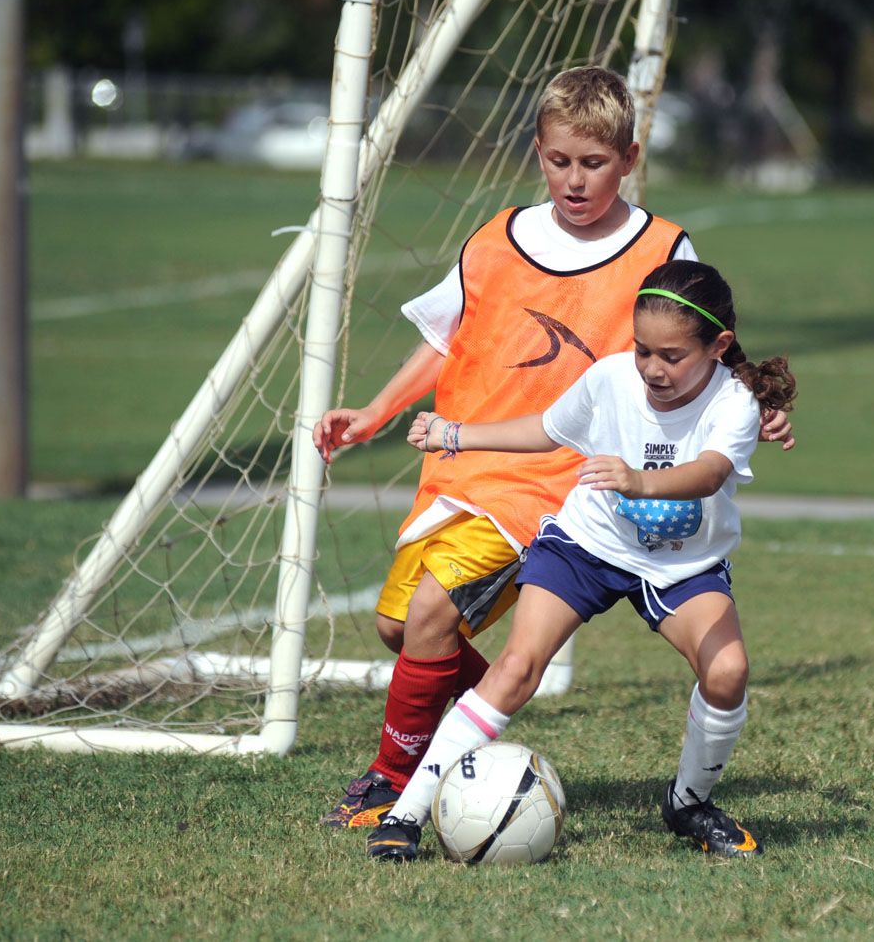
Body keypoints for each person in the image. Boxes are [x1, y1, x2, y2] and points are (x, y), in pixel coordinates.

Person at [313, 66, 795, 830]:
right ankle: (475, 716)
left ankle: (390, 780)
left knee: (435, 612)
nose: (575, 180)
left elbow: (701, 333)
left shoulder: (661, 244)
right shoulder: (497, 239)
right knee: (404, 628)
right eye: (560, 161)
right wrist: (375, 413)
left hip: (559, 482)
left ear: (629, 158)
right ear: (538, 152)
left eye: (594, 163)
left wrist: (757, 401)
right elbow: (448, 335)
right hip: (469, 465)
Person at [365, 260, 796, 861]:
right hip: (585, 546)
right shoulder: (612, 378)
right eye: (643, 350)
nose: (652, 368)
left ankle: (689, 803)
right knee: (516, 667)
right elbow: (547, 430)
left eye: (671, 356)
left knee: (727, 673)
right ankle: (407, 814)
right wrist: (455, 434)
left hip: (682, 566)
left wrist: (637, 480)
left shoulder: (736, 401)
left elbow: (711, 473)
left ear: (718, 346)